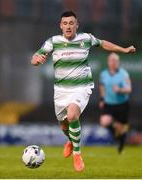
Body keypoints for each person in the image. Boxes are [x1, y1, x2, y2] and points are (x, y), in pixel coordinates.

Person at [31, 11, 135, 171]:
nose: (68, 26)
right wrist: (37, 60)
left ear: (76, 25)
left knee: (72, 114)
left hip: (81, 87)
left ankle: (77, 154)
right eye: (65, 23)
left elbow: (103, 43)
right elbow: (35, 58)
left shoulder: (85, 39)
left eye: (71, 23)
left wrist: (123, 50)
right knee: (64, 124)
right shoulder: (53, 42)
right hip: (61, 90)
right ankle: (71, 141)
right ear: (60, 25)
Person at [99, 52, 132, 153]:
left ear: (118, 62)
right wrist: (102, 99)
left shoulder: (124, 74)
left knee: (122, 129)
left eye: (115, 61)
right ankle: (118, 134)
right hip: (109, 103)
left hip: (122, 104)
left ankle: (121, 144)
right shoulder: (103, 74)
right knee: (104, 121)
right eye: (111, 60)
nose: (113, 63)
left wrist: (120, 90)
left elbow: (129, 89)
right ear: (108, 62)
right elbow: (102, 86)